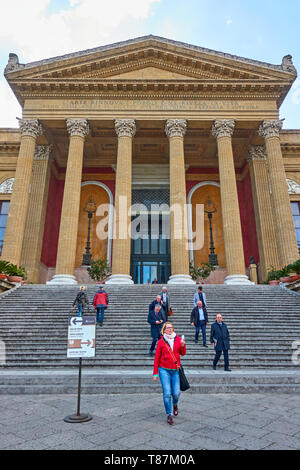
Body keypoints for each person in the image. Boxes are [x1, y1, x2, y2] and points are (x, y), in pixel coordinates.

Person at [153, 322, 186, 426]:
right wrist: (155, 373)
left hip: (175, 370)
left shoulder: (178, 339)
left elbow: (182, 353)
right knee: (167, 393)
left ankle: (175, 404)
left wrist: (183, 346)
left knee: (176, 393)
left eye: (171, 328)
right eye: (167, 328)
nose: (170, 329)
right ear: (164, 330)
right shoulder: (161, 342)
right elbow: (157, 358)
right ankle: (169, 414)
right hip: (164, 370)